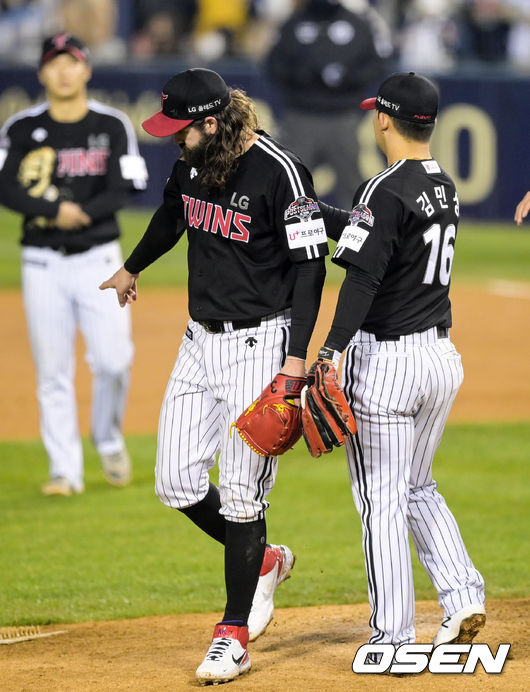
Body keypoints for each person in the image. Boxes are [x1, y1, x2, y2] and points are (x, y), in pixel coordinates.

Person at [99, 67, 343, 685]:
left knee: (241, 494)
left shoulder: (279, 173)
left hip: (261, 346)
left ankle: (232, 635)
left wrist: (295, 359)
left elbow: (310, 271)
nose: (171, 139)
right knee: (175, 481)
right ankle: (266, 561)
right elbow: (171, 216)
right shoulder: (191, 162)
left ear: (211, 123)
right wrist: (132, 266)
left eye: (179, 130)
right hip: (197, 341)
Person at [309, 72, 486, 660]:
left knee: (381, 499)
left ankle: (392, 635)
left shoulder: (382, 187)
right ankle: (462, 595)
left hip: (388, 365)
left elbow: (363, 275)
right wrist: (325, 213)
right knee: (417, 485)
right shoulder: (443, 184)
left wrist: (329, 351)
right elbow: (380, 235)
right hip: (439, 359)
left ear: (384, 119)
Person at [0, 33, 148, 496]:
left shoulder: (112, 123)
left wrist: (78, 212)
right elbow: (6, 187)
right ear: (42, 72)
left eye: (72, 62)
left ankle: (107, 438)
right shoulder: (21, 127)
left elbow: (127, 186)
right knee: (52, 371)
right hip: (42, 261)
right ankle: (65, 469)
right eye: (54, 63)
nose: (63, 71)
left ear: (86, 70)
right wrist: (51, 211)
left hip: (100, 260)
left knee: (113, 361)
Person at [265, 0, 390, 208]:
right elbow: (274, 64)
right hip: (302, 116)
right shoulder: (294, 23)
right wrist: (300, 75)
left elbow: (375, 64)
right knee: (287, 182)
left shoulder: (356, 23)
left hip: (342, 116)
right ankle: (276, 235)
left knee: (351, 186)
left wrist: (348, 77)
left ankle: (359, 235)